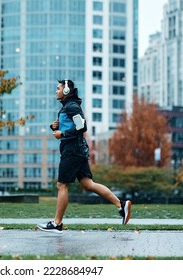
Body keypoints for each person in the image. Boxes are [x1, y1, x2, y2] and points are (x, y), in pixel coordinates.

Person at [37, 79, 131, 234]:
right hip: (77, 150)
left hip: (72, 150)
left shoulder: (72, 106)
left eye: (58, 88)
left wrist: (63, 133)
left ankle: (57, 224)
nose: (56, 91)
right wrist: (55, 126)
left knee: (62, 185)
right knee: (88, 184)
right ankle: (121, 205)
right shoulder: (67, 107)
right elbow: (72, 125)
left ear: (66, 91)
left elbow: (82, 126)